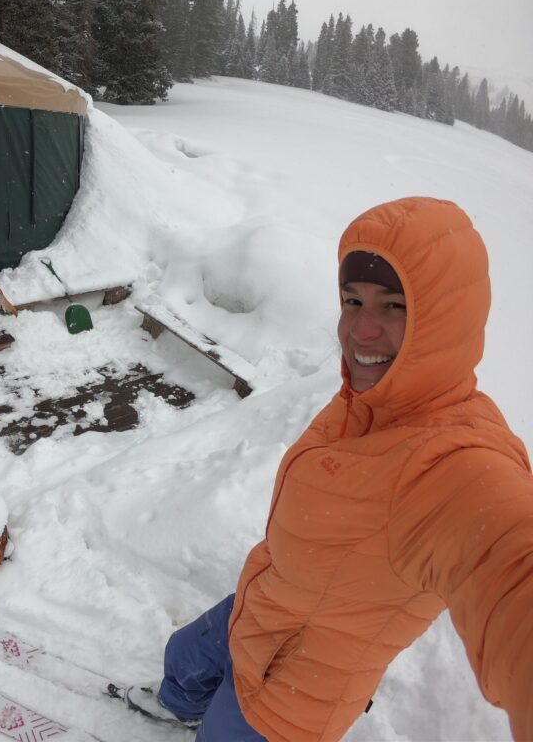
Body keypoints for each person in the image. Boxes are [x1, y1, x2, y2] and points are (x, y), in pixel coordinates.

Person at [129, 197, 533, 741]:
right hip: (264, 603)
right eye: (352, 300)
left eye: (394, 307)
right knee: (184, 657)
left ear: (445, 321)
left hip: (295, 690)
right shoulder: (369, 400)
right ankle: (178, 705)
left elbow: (509, 564)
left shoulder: (453, 463)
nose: (361, 330)